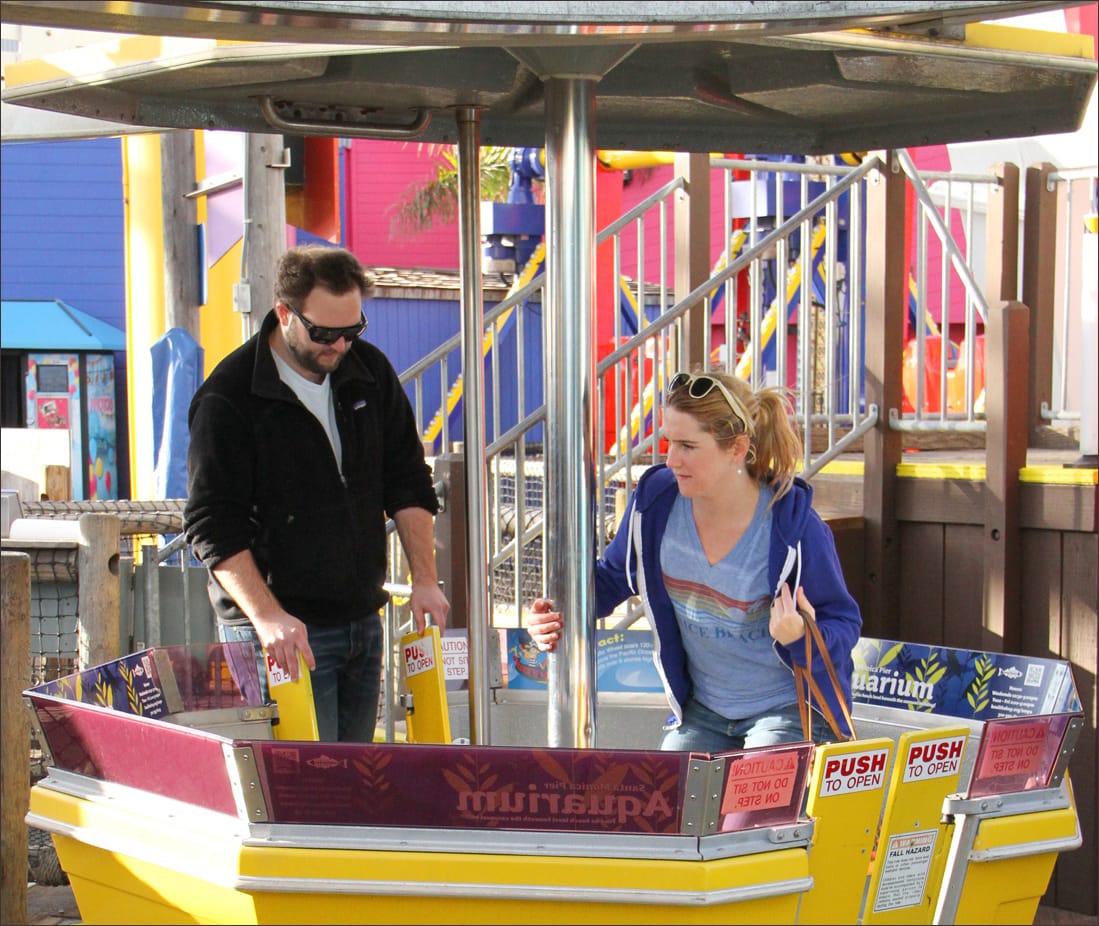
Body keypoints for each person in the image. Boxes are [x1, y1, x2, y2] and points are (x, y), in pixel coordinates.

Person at [184, 245, 449, 742]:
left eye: (353, 331)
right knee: (301, 794)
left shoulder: (368, 371)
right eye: (324, 333)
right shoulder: (229, 398)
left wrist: (426, 580)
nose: (339, 346)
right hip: (280, 631)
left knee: (353, 789)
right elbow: (212, 525)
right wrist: (267, 618)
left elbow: (408, 479)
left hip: (359, 619)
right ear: (284, 313)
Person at [526, 369, 860, 752]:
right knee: (668, 803)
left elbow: (843, 624)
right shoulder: (654, 505)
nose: (670, 460)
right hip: (705, 711)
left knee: (753, 799)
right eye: (668, 442)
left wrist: (800, 636)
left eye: (687, 446)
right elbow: (611, 581)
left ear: (737, 448)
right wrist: (556, 613)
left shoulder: (795, 528)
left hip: (789, 709)